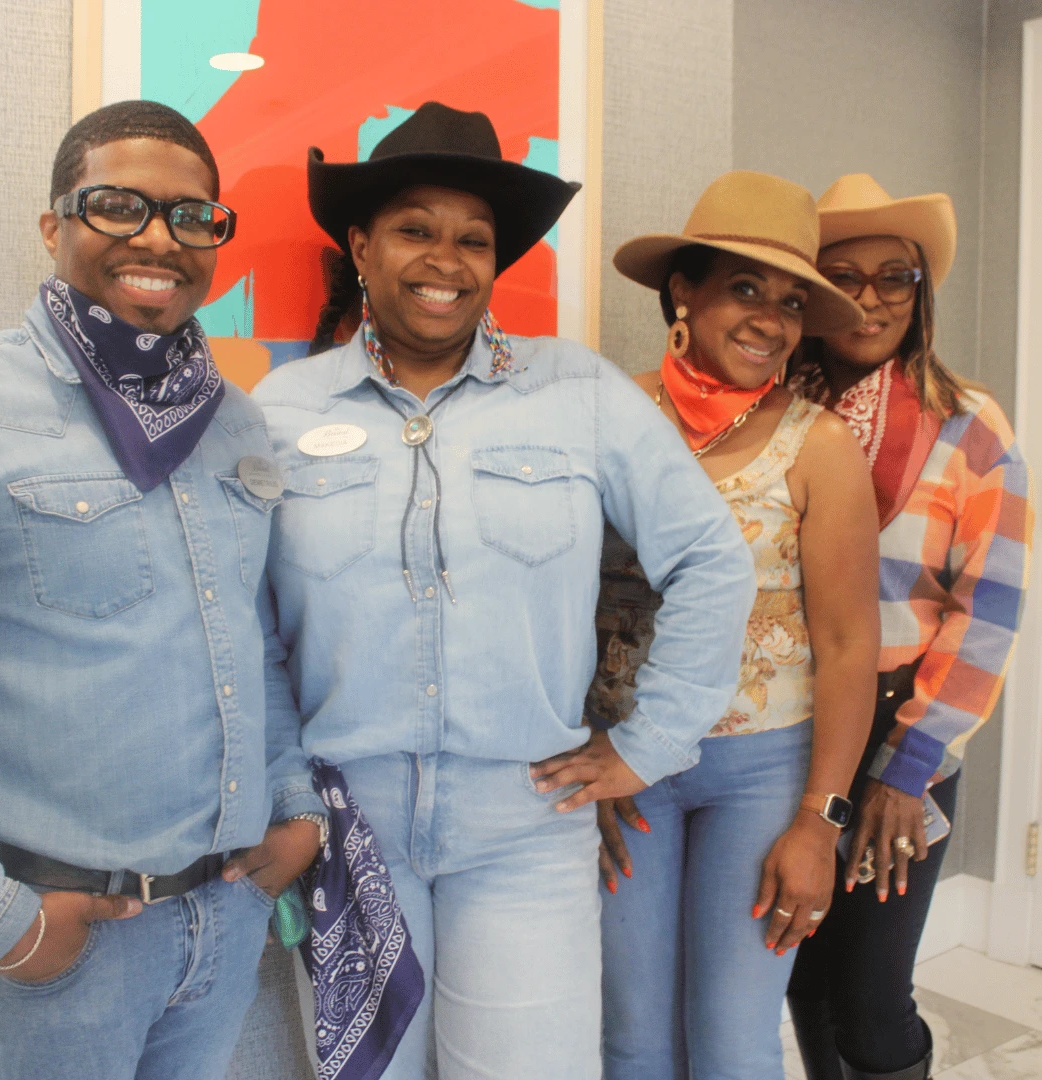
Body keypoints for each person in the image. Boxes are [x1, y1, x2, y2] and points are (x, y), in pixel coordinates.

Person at [252, 101, 757, 1079]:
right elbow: (248, 624)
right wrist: (283, 791)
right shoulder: (283, 407)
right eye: (414, 229)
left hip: (526, 826)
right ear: (360, 243)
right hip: (350, 826)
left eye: (472, 240)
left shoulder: (577, 391)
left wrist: (650, 742)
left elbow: (710, 557)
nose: (445, 259)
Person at [0, 100, 325, 1080]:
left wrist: (294, 808)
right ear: (53, 225)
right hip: (56, 948)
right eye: (118, 206)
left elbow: (252, 639)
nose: (159, 238)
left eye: (193, 215)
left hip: (220, 924)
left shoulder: (237, 425)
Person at [591, 170, 881, 1080]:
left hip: (760, 775)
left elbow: (848, 647)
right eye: (745, 288)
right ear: (685, 290)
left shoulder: (819, 447)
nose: (770, 319)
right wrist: (584, 750)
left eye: (791, 302)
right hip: (626, 766)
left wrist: (820, 824)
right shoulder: (605, 416)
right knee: (631, 1036)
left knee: (732, 1041)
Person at [786, 174, 1033, 1080]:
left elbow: (991, 606)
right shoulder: (774, 415)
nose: (873, 297)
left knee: (873, 991)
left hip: (902, 732)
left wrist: (908, 767)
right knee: (802, 965)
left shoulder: (968, 425)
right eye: (844, 275)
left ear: (920, 293)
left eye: (897, 276)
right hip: (786, 728)